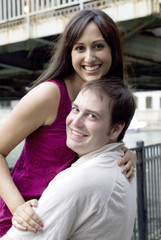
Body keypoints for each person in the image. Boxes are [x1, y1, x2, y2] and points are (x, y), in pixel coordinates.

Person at [0, 8, 136, 235]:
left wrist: (124, 152)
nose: (89, 57)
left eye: (99, 46)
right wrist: (17, 207)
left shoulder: (109, 101)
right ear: (69, 52)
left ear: (113, 50)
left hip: (66, 221)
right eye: (80, 48)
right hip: (22, 223)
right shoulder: (49, 95)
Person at [1, 77, 136, 240]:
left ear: (116, 129)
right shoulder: (120, 168)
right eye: (75, 109)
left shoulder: (79, 180)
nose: (75, 122)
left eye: (92, 116)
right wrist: (17, 207)